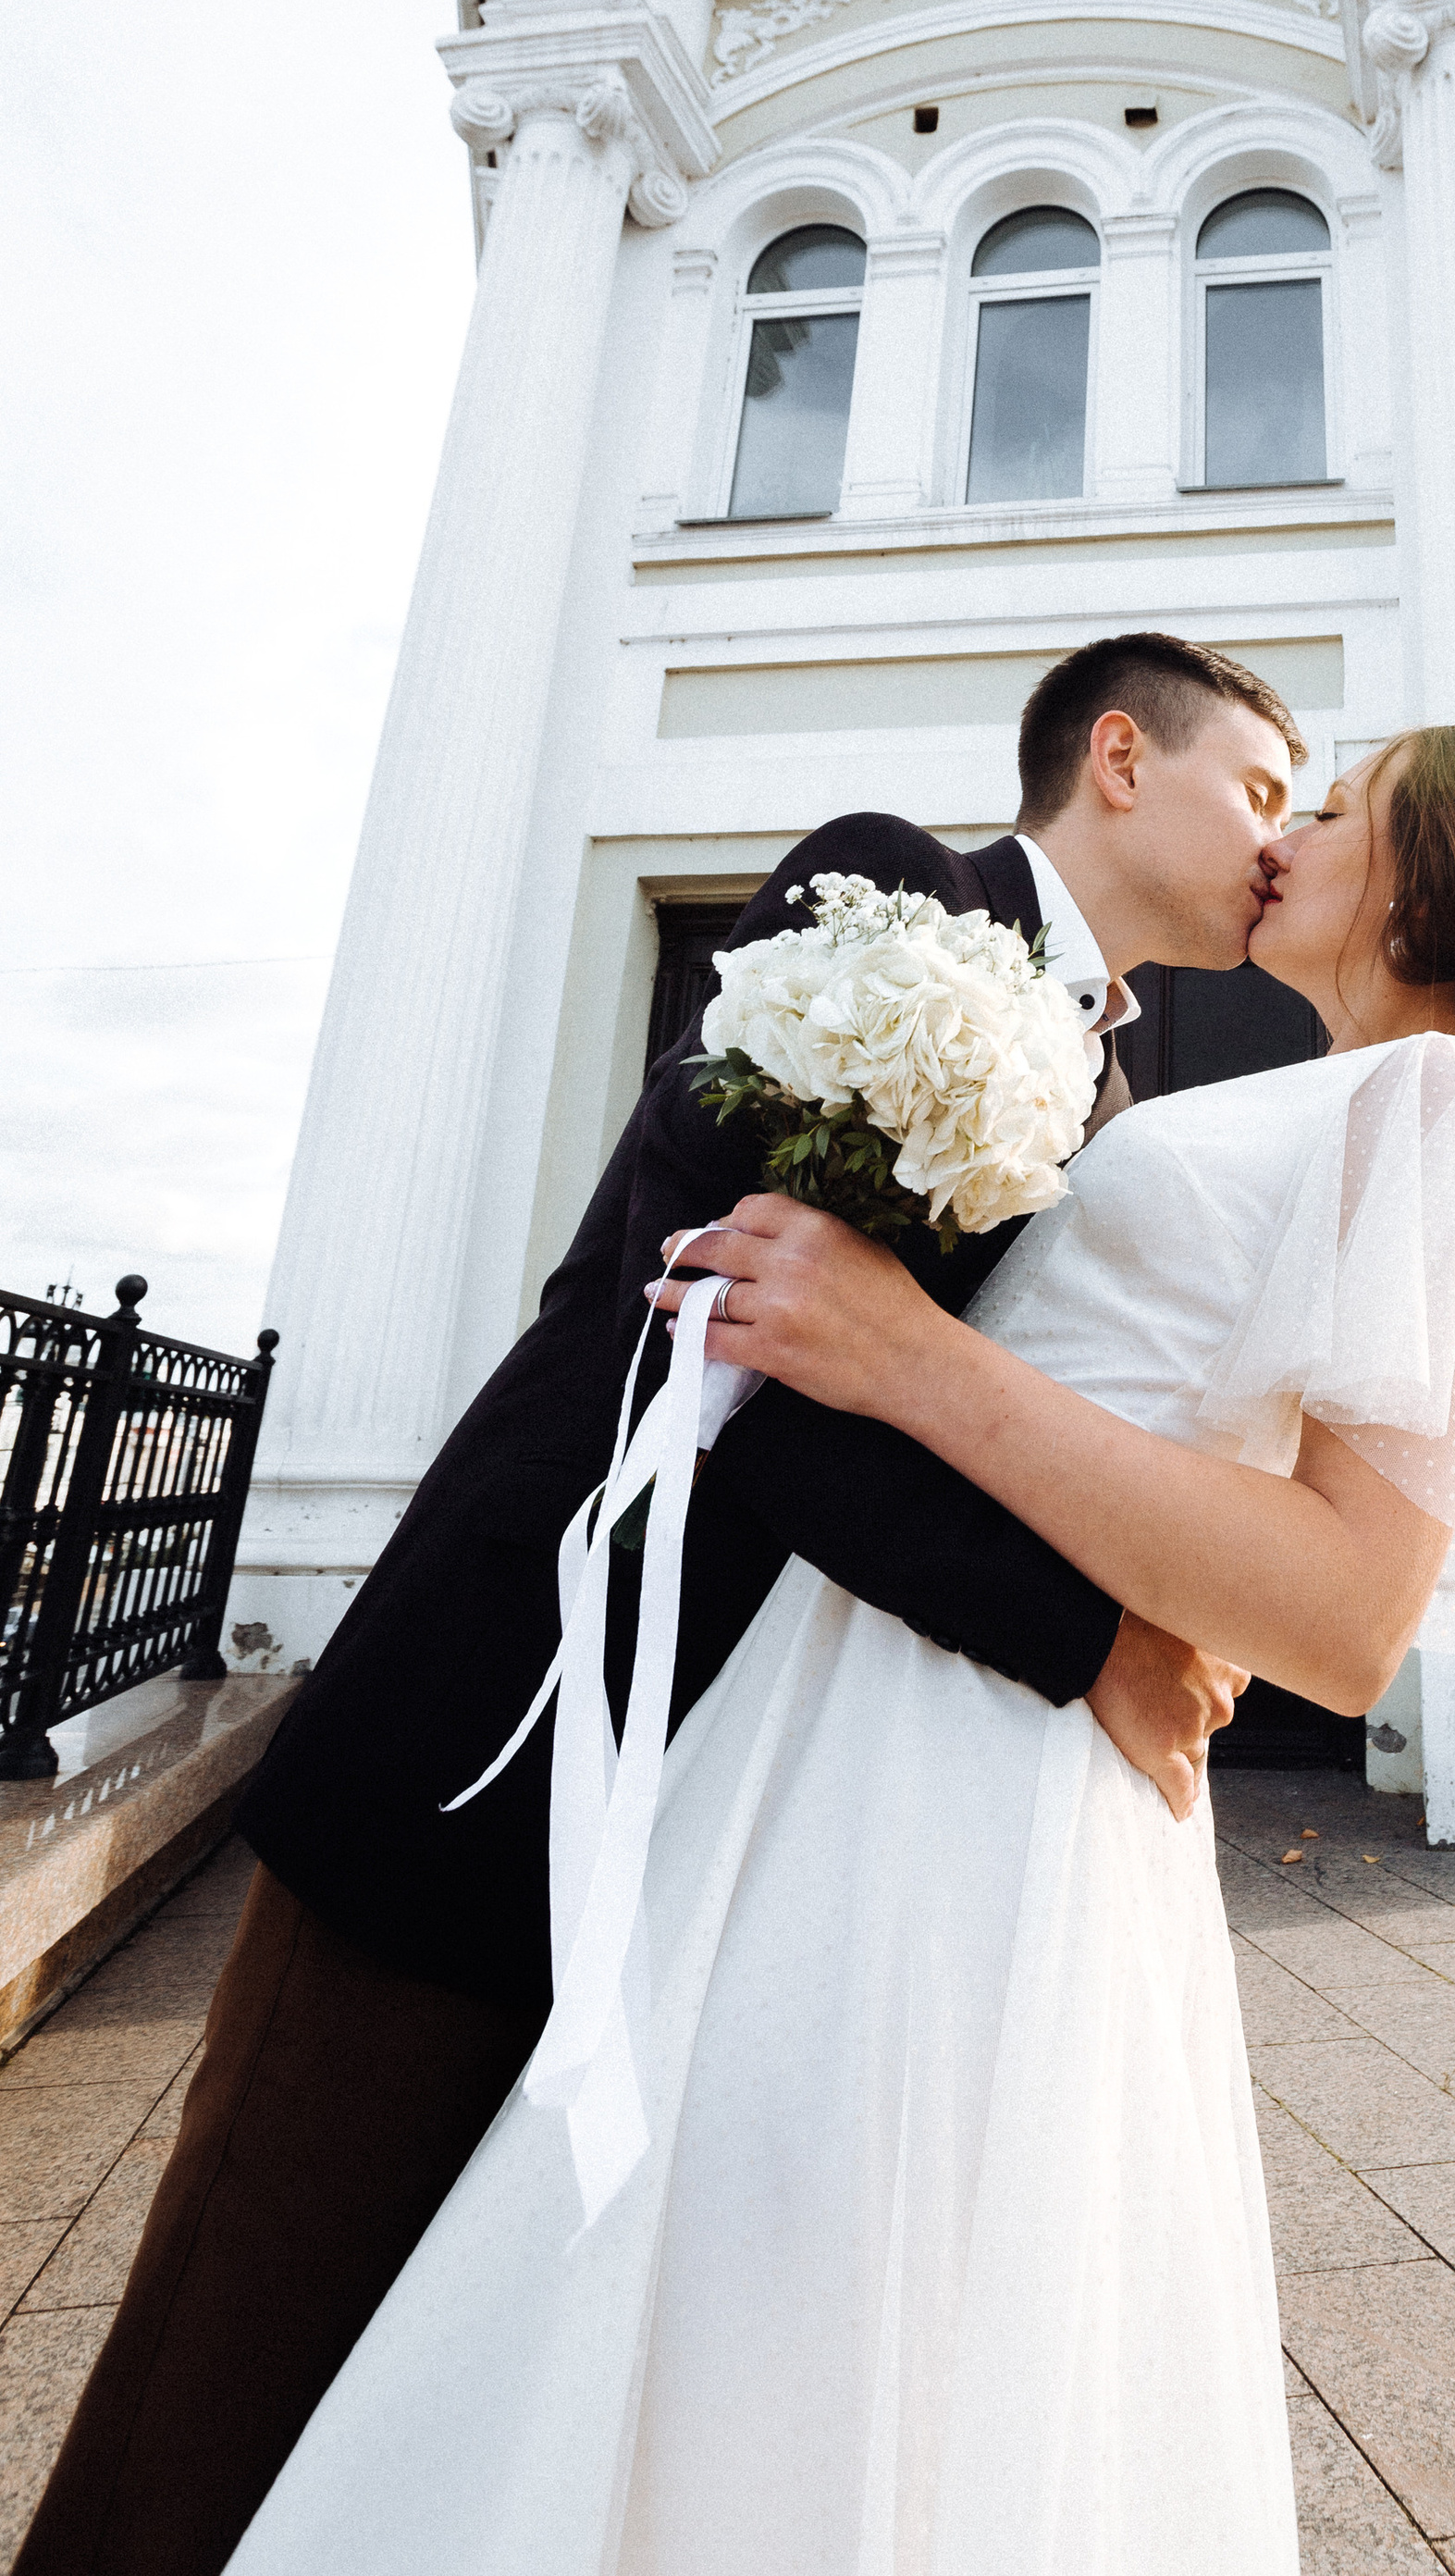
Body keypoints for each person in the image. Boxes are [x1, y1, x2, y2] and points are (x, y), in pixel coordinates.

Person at [225, 720, 1455, 2576]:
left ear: (1409, 880)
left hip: (965, 1788)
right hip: (824, 1721)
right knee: (684, 2288)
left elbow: (1344, 1617)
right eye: (1280, 793)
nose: (1289, 839)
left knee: (815, 2305)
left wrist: (920, 1364)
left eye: (1329, 814)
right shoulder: (1241, 1090)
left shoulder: (1438, 1114)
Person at [20, 633, 1304, 2576]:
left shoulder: (1115, 1081)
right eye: (1263, 793)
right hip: (501, 1724)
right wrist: (1094, 1640)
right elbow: (728, 1336)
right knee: (237, 2361)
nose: (1279, 847)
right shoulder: (891, 897)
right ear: (1119, 758)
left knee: (462, 2410)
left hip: (744, 1832)